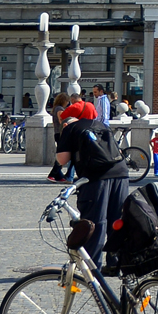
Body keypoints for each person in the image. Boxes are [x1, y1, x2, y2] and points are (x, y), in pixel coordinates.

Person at [55, 102, 128, 270]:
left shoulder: (69, 129)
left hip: (95, 177)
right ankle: (117, 262)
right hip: (121, 173)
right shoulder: (100, 124)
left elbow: (62, 160)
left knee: (95, 221)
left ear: (65, 122)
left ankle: (92, 267)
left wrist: (63, 143)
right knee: (117, 220)